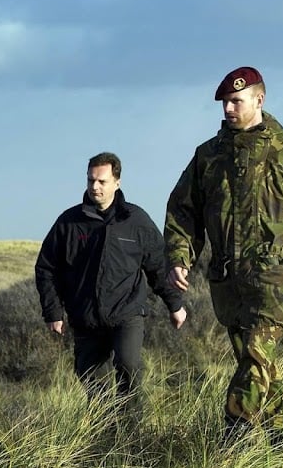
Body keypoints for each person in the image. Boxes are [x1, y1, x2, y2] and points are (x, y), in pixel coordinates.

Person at [164, 66, 283, 441]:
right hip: (230, 282)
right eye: (225, 102)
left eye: (236, 101)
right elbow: (183, 211)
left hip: (278, 280)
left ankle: (234, 434)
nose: (228, 109)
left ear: (259, 99)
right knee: (259, 364)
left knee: (256, 357)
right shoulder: (208, 157)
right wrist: (181, 256)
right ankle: (282, 438)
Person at [35, 152, 186, 410]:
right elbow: (46, 268)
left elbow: (158, 265)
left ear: (117, 182)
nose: (95, 186)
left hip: (126, 311)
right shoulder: (69, 223)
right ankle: (105, 435)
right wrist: (53, 311)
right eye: (90, 180)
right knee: (91, 378)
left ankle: (131, 432)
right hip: (85, 315)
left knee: (128, 366)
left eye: (102, 181)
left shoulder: (135, 220)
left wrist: (175, 304)